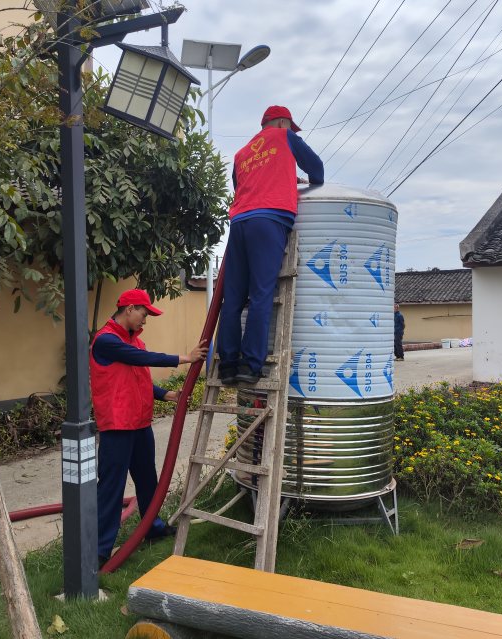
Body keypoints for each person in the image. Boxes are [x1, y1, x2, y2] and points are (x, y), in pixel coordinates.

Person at [90, 288, 207, 567]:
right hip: (117, 426)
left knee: (147, 481)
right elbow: (140, 360)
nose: (146, 320)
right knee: (111, 487)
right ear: (129, 309)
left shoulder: (135, 344)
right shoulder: (105, 340)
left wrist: (166, 394)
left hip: (140, 422)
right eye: (144, 313)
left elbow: (137, 378)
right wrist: (184, 358)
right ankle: (100, 549)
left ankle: (152, 528)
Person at [218, 105, 324, 385]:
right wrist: (307, 183)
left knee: (233, 299)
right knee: (262, 293)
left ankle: (227, 365)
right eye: (289, 125)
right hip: (269, 219)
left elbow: (238, 185)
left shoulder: (242, 153)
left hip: (239, 221)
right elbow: (317, 168)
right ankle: (250, 365)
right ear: (281, 122)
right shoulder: (284, 137)